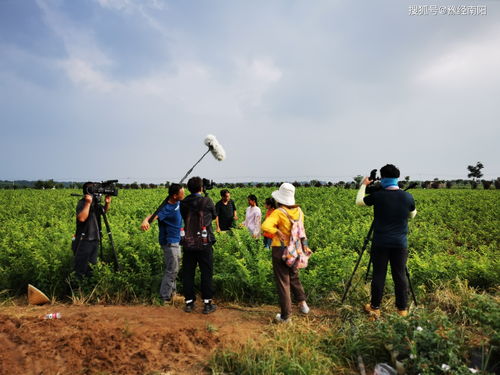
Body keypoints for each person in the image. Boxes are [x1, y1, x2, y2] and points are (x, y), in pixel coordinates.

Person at [355, 164, 417, 318]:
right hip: (400, 244)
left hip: (380, 242)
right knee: (400, 275)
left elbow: (359, 202)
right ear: (397, 178)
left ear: (382, 178)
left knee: (379, 275)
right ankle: (402, 310)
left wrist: (364, 185)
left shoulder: (378, 195)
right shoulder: (407, 196)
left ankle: (375, 308)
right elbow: (412, 215)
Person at [261, 183, 310, 323]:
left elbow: (265, 226)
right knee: (294, 276)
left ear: (280, 199)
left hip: (280, 249)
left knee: (283, 282)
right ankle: (303, 304)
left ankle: (286, 316)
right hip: (295, 249)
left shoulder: (279, 212)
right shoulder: (299, 212)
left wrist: (277, 231)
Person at [141, 183, 185, 303]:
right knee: (172, 269)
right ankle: (164, 298)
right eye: (182, 193)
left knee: (175, 268)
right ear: (175, 196)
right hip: (169, 242)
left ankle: (173, 294)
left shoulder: (178, 202)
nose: (184, 194)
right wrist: (146, 220)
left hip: (177, 240)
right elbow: (153, 216)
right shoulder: (166, 208)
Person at [180, 176, 217, 314]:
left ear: (189, 188)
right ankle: (207, 304)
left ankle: (189, 303)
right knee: (206, 272)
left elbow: (183, 216)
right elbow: (213, 215)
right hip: (204, 242)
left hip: (188, 242)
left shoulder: (183, 203)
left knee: (188, 272)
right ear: (201, 188)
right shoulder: (207, 201)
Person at [73, 182, 111, 278]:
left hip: (95, 238)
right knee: (81, 268)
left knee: (91, 267)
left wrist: (107, 203)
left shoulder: (96, 204)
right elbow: (81, 218)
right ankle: (77, 289)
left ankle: (88, 288)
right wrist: (87, 203)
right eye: (95, 189)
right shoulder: (82, 202)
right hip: (84, 239)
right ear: (89, 191)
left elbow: (103, 212)